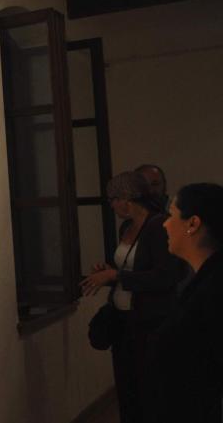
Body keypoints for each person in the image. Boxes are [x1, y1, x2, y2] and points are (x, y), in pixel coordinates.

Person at [80, 171, 186, 423]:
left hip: (150, 322)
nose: (112, 205)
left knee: (149, 389)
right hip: (124, 321)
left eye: (113, 199)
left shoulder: (158, 226)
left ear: (127, 199)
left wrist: (116, 275)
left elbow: (165, 276)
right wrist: (108, 272)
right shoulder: (126, 227)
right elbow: (131, 269)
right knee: (127, 388)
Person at [151, 183, 223, 422]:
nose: (165, 224)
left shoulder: (214, 288)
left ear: (193, 223)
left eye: (171, 215)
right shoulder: (202, 279)